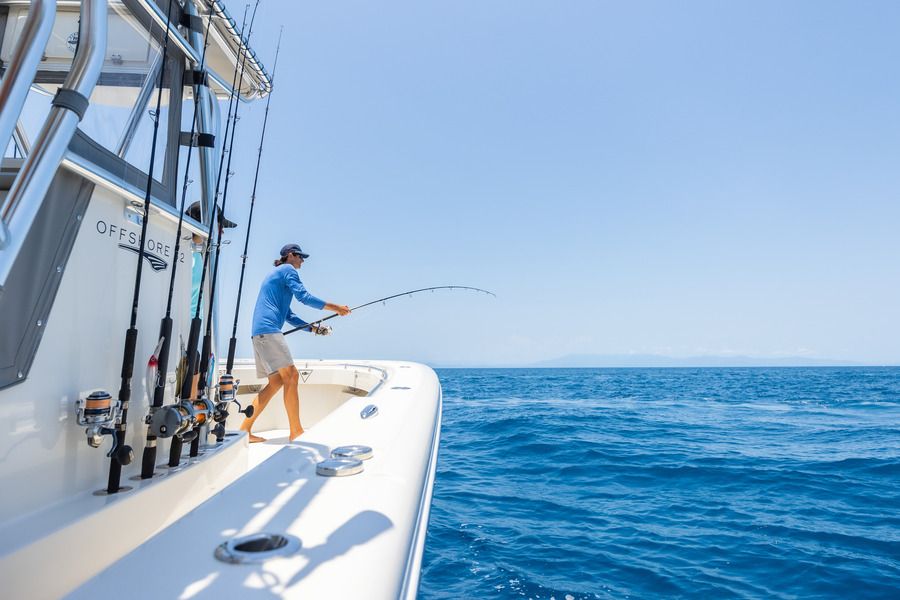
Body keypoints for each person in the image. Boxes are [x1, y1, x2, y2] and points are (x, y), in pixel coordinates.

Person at [240, 243, 350, 442]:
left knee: (276, 382)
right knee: (291, 376)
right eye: (300, 256)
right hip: (269, 331)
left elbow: (288, 315)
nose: (303, 260)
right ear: (290, 255)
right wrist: (337, 308)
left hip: (260, 334)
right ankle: (296, 431)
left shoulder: (277, 275)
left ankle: (244, 431)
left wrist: (313, 329)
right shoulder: (287, 270)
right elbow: (304, 297)